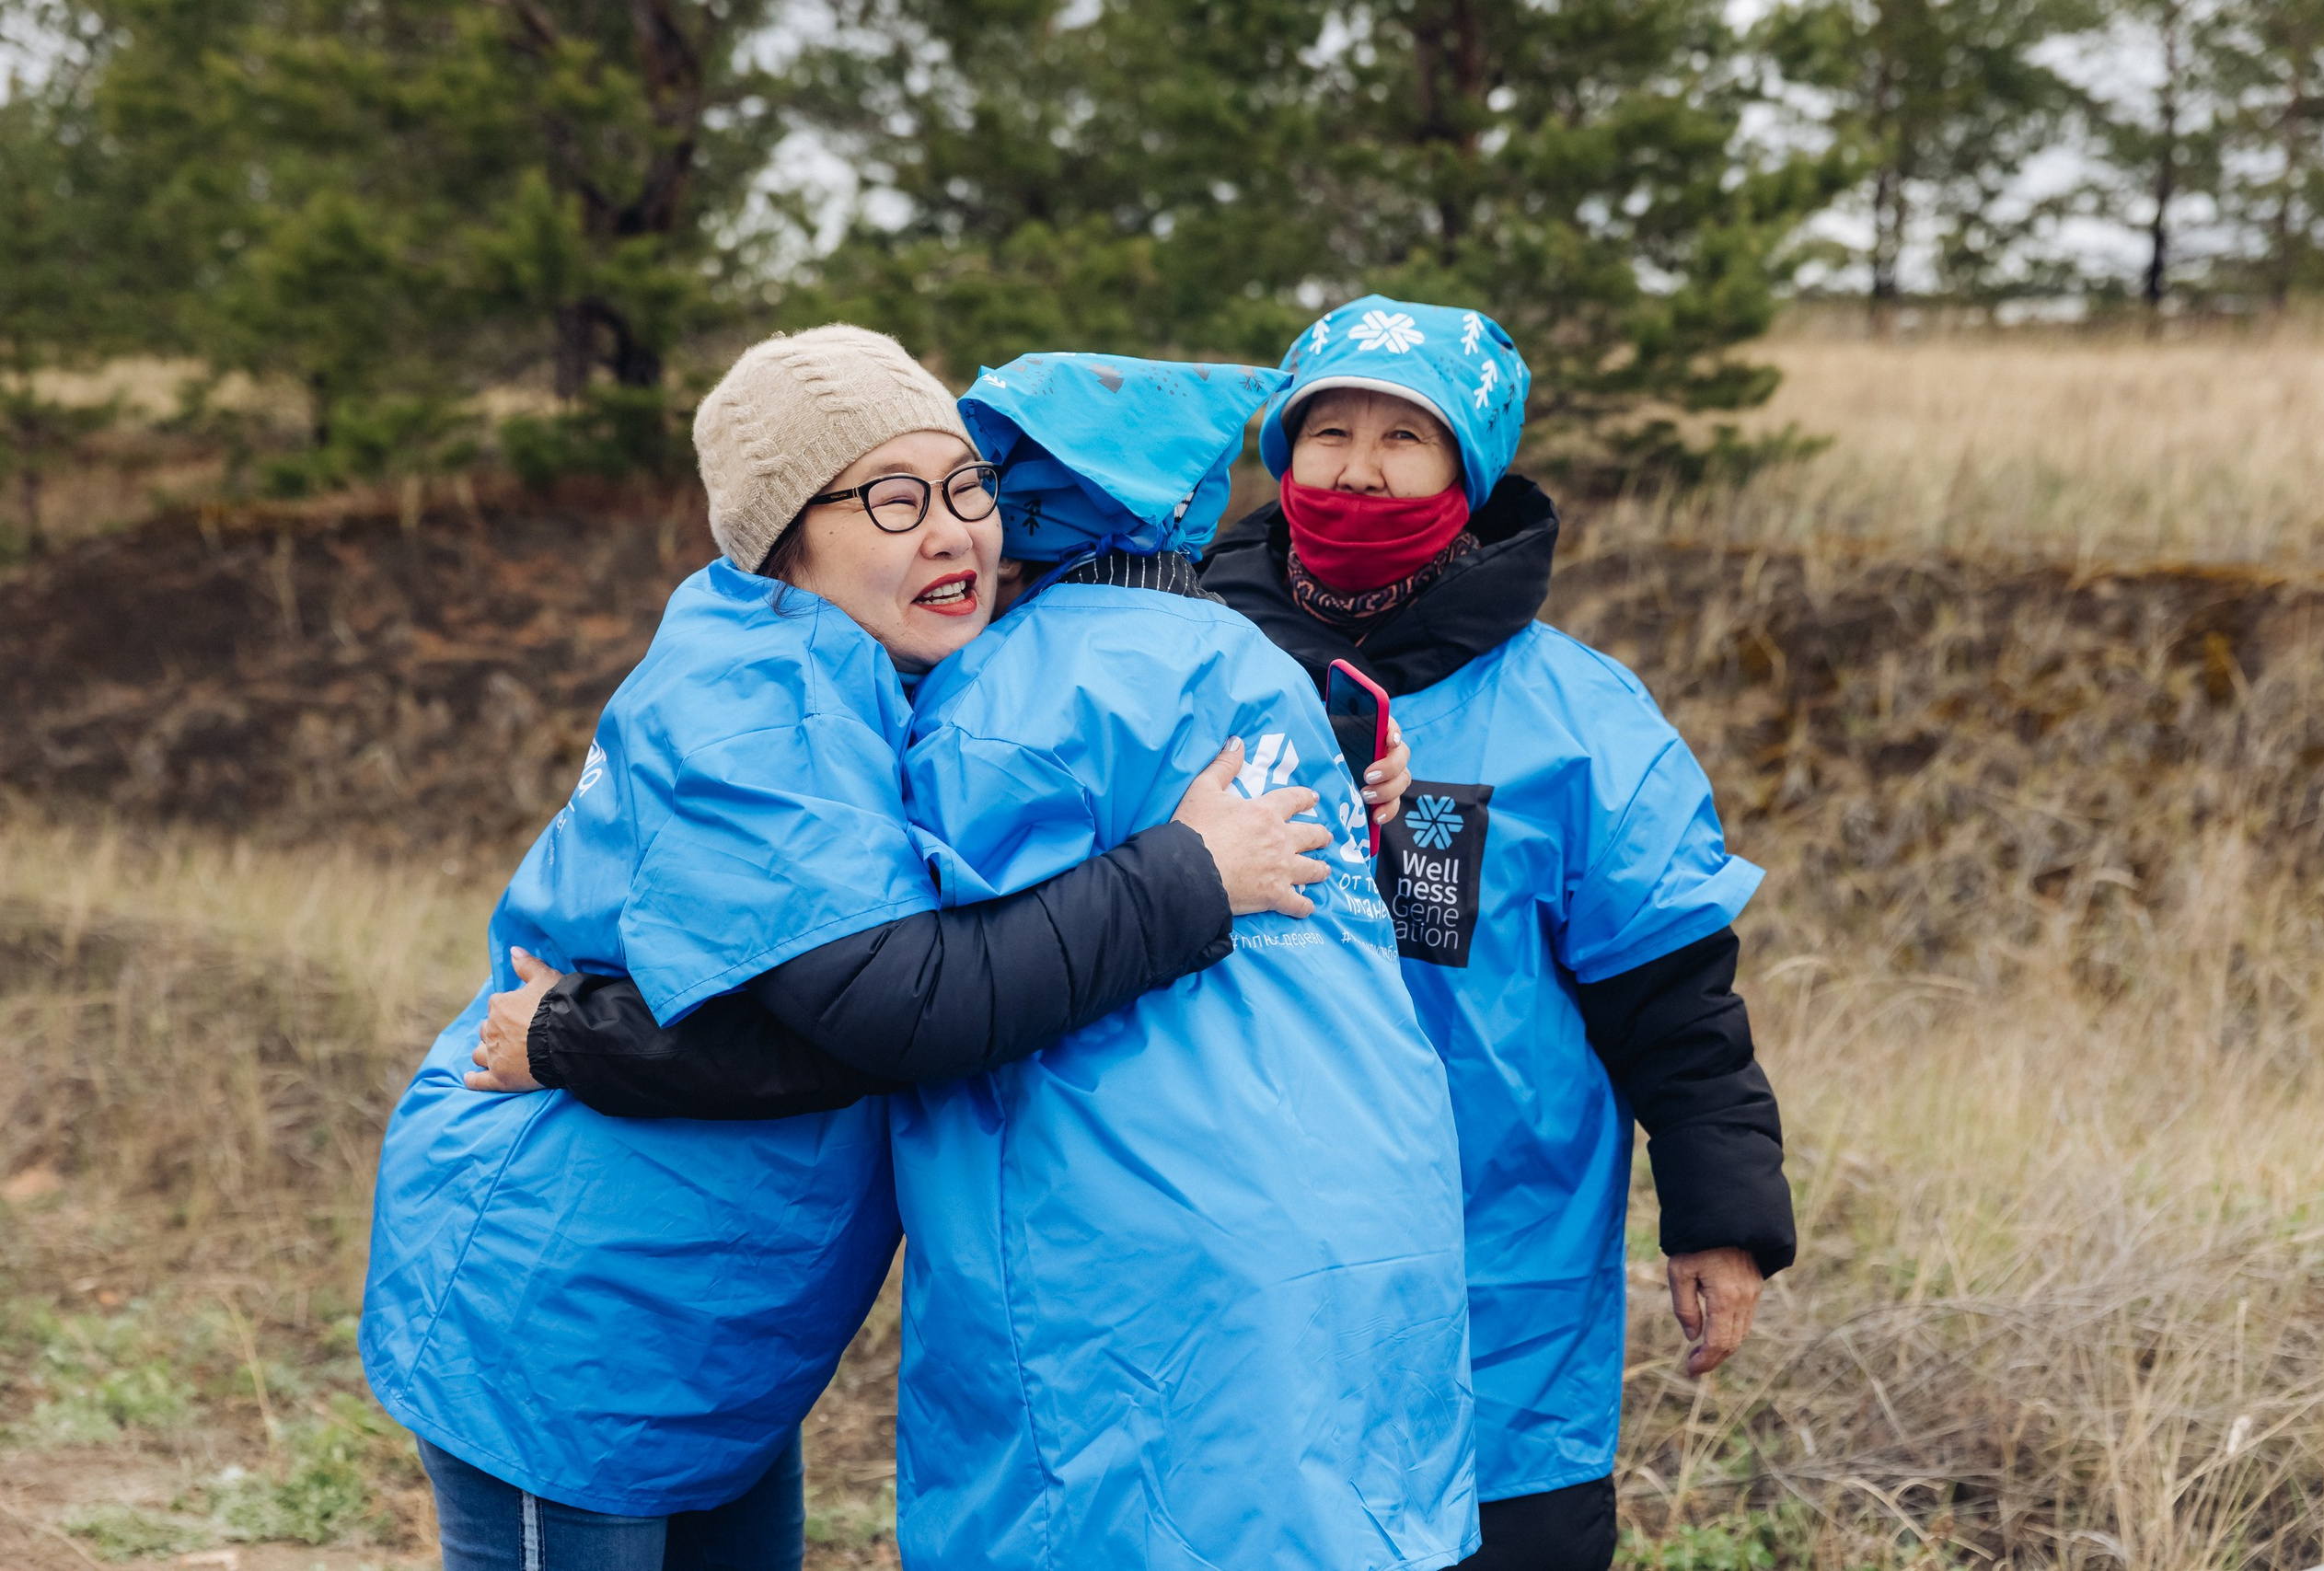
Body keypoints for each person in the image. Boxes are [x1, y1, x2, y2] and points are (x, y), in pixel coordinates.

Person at [360, 325, 1377, 1571]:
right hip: (574, 1314)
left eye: (967, 489)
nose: (954, 532)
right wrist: (1190, 876)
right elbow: (904, 1012)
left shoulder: (888, 665)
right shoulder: (745, 711)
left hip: (719, 1326)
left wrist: (1335, 755)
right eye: (893, 500)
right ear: (784, 539)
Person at [1198, 295, 1798, 1571]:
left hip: (1498, 1281)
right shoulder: (1185, 666)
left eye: (1404, 439)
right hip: (1242, 1270)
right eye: (1328, 433)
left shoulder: (1579, 718)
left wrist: (1719, 1217)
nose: (1358, 470)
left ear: (1469, 472)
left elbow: (1676, 1002)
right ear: (1280, 453)